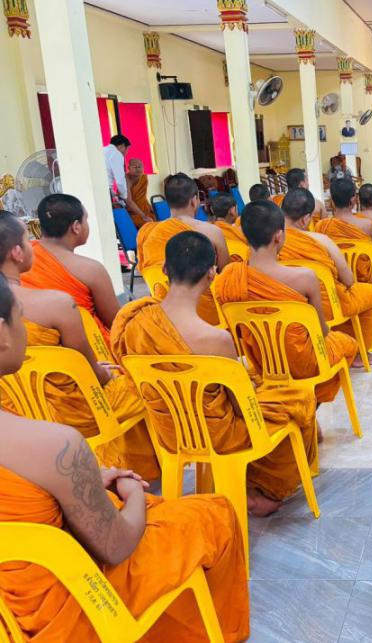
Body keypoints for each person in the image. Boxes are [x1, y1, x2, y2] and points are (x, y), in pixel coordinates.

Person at [0, 275, 250, 641]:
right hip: (66, 610)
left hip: (6, 614)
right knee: (216, 514)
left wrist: (75, 485)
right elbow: (116, 547)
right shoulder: (56, 447)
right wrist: (132, 494)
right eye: (19, 316)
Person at [112, 230, 317, 516]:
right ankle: (261, 490)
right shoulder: (216, 340)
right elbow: (241, 408)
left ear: (164, 269)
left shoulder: (135, 322)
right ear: (211, 273)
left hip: (169, 431)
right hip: (218, 436)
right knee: (299, 401)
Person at [0, 211, 158, 480]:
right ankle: (144, 470)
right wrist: (104, 373)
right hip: (72, 413)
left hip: (15, 410)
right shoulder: (56, 304)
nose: (32, 247)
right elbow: (91, 372)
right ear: (16, 253)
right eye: (27, 240)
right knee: (145, 383)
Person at [214, 200, 358, 405]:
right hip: (304, 363)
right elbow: (322, 331)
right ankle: (309, 404)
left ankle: (301, 405)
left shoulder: (230, 277)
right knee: (349, 344)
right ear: (279, 236)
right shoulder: (305, 278)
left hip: (262, 362)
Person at [279, 187, 372, 365]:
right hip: (327, 306)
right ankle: (360, 353)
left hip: (289, 303)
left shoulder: (273, 241)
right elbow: (349, 281)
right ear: (305, 219)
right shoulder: (321, 240)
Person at [22, 194, 121, 342]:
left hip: (30, 344)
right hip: (82, 347)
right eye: (86, 219)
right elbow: (116, 322)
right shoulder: (92, 270)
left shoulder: (22, 257)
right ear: (76, 227)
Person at [137, 173, 229, 325]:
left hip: (166, 315)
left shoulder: (148, 234)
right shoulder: (212, 232)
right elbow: (226, 275)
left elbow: (150, 272)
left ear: (167, 202)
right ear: (194, 201)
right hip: (210, 318)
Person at [315, 178, 372, 333]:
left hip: (337, 278)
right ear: (354, 200)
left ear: (332, 202)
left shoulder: (322, 226)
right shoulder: (366, 225)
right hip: (363, 275)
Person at [103, 134, 151, 226]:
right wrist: (125, 197)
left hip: (106, 192)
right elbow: (120, 182)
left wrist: (115, 194)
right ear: (122, 145)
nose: (126, 153)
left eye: (140, 166)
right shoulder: (117, 154)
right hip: (130, 209)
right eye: (127, 149)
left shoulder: (102, 150)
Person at [123, 158, 154, 227]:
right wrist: (143, 216)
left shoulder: (144, 177)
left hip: (145, 210)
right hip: (132, 212)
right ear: (129, 168)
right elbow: (129, 201)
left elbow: (142, 196)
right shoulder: (126, 179)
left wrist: (150, 208)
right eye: (135, 167)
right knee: (147, 224)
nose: (138, 169)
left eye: (140, 166)